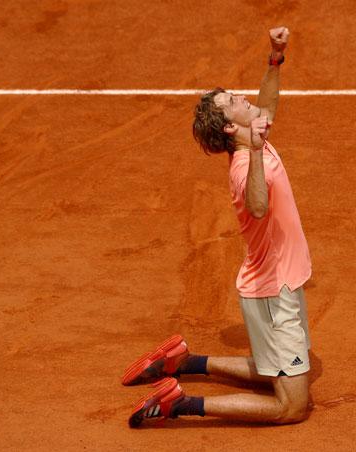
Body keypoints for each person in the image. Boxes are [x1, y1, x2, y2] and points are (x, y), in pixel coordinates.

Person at [123, 26, 314, 427]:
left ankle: (184, 362)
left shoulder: (251, 137)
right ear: (230, 127)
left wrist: (274, 59)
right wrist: (260, 151)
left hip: (276, 284)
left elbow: (267, 105)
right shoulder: (247, 165)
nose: (242, 98)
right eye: (232, 101)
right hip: (272, 293)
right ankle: (182, 405)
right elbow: (258, 207)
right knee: (291, 406)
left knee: (279, 372)